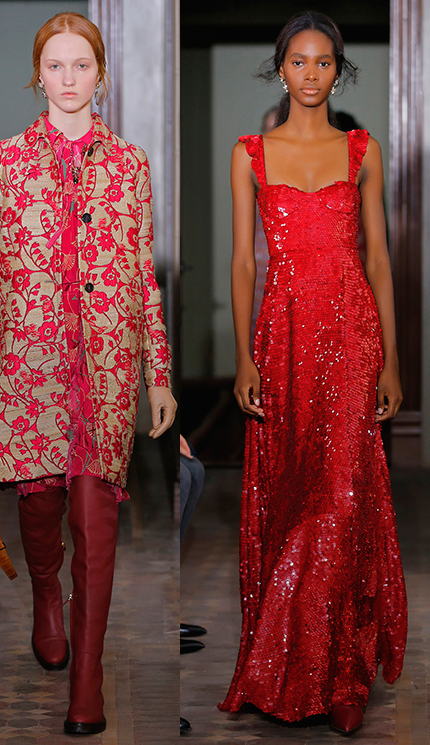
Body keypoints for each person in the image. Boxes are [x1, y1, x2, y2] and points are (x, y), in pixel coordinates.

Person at [0, 12, 176, 735]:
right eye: (56, 65)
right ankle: (46, 591)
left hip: (106, 368)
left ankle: (88, 683)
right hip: (30, 364)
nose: (69, 78)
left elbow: (142, 275)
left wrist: (159, 373)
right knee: (41, 510)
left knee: (94, 516)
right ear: (37, 74)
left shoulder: (130, 163)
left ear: (100, 73)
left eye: (82, 65)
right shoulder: (8, 160)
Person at [220, 11, 406, 737]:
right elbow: (244, 262)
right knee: (293, 499)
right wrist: (243, 355)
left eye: (323, 62)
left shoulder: (363, 150)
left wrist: (392, 360)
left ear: (338, 72)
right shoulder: (249, 154)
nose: (310, 73)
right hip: (283, 339)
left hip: (352, 336)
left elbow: (379, 258)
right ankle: (286, 666)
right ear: (281, 69)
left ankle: (343, 673)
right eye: (298, 61)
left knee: (342, 500)